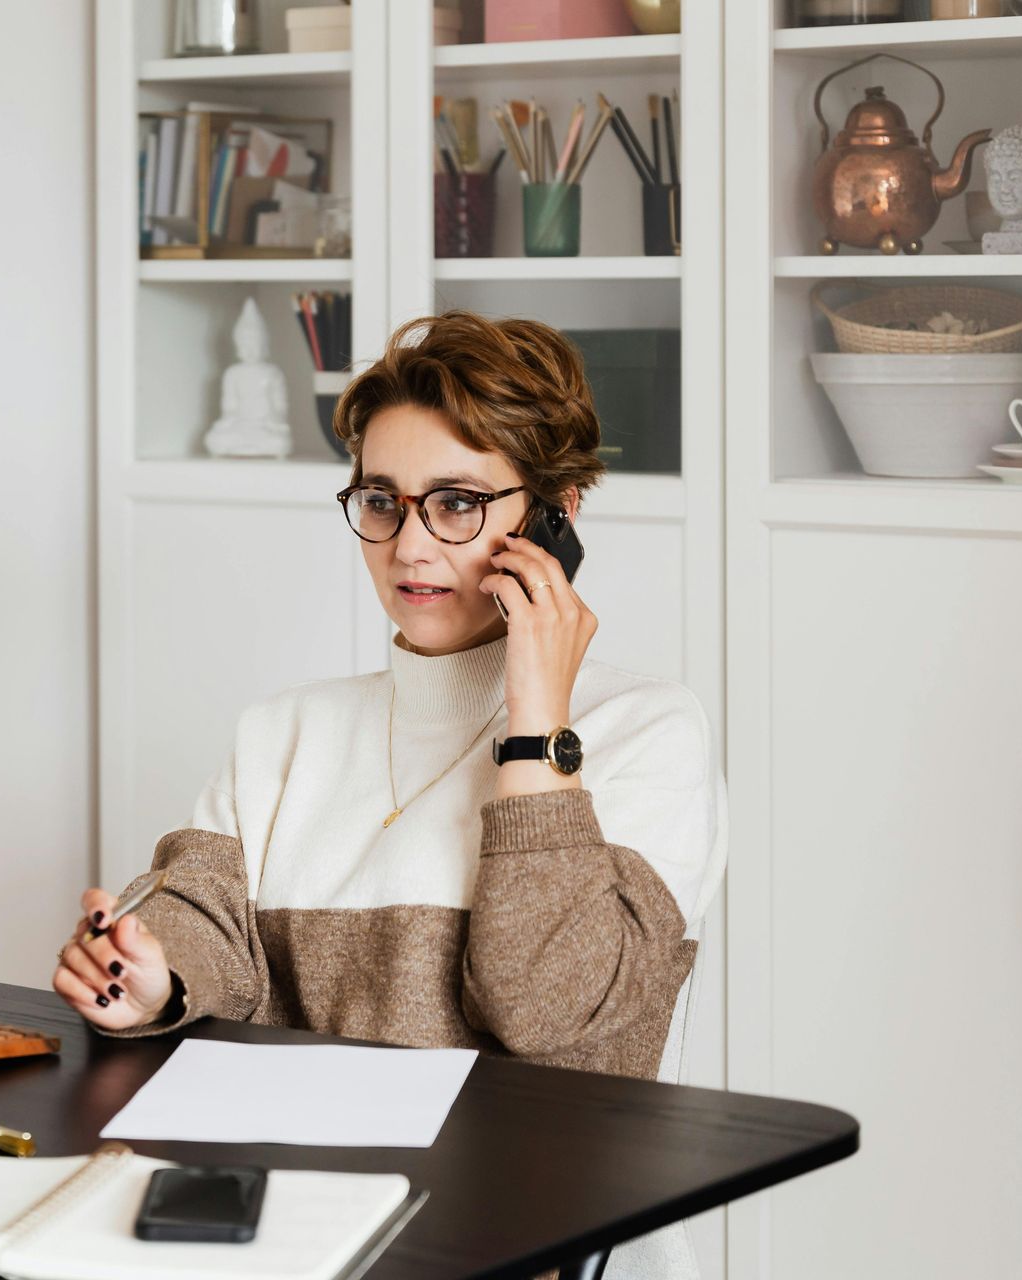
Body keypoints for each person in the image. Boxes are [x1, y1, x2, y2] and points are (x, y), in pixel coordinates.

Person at [53, 311, 727, 1280]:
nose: (409, 544)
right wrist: (149, 973)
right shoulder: (283, 730)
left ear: (557, 516)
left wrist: (536, 723)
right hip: (305, 1233)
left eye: (456, 502)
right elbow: (201, 921)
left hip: (537, 1246)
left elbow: (554, 1014)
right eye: (383, 499)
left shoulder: (648, 731)